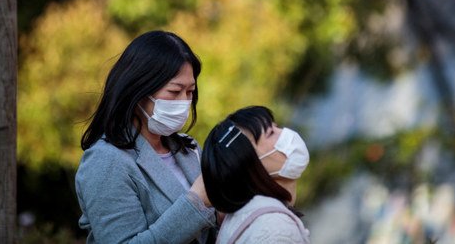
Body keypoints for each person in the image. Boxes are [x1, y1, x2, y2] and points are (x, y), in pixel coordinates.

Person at [75, 31, 217, 243]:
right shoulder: (106, 161)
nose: (184, 102)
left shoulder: (188, 148)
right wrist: (196, 201)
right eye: (175, 91)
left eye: (190, 92)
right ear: (139, 90)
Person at [201, 106, 311, 244]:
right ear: (248, 163)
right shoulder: (274, 230)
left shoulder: (244, 218)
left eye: (277, 127)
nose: (285, 133)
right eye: (271, 133)